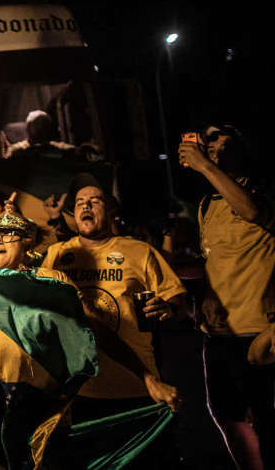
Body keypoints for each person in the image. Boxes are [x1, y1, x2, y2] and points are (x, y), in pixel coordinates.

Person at [41, 173, 187, 422]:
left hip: (136, 386)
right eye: (80, 202)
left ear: (111, 212)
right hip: (79, 389)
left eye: (95, 201)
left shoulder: (140, 251)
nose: (86, 206)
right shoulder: (57, 254)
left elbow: (177, 301)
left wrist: (168, 308)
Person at [178, 124, 275, 469]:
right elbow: (213, 262)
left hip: (259, 330)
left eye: (219, 134)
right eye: (205, 137)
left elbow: (254, 212)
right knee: (227, 415)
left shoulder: (262, 190)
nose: (208, 141)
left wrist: (205, 165)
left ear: (242, 143)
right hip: (218, 334)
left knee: (267, 422)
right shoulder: (208, 203)